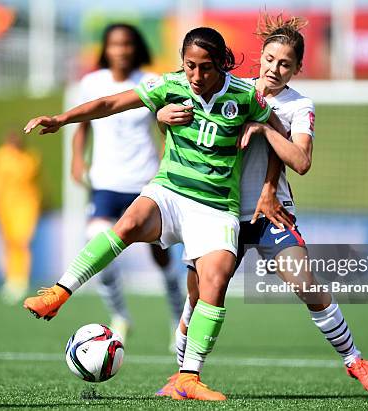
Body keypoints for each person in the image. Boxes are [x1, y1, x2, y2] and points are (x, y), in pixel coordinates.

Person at [22, 26, 289, 401]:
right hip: (171, 193)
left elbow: (279, 138)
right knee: (128, 223)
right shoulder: (169, 85)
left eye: (206, 68)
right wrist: (62, 119)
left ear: (222, 64)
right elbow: (112, 103)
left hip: (216, 208)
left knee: (215, 281)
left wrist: (268, 188)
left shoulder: (246, 96)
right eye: (190, 66)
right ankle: (58, 293)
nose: (196, 76)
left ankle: (188, 378)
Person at [155, 14, 368, 396]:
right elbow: (183, 123)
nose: (275, 68)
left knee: (304, 280)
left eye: (285, 63)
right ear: (259, 57)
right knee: (197, 297)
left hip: (270, 213)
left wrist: (264, 128)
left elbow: (301, 160)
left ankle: (354, 359)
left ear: (297, 68)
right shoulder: (235, 89)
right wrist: (161, 118)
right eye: (269, 59)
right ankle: (181, 376)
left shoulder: (300, 105)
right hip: (218, 212)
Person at [70, 23, 184, 344]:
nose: (121, 50)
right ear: (105, 49)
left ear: (136, 48)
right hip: (105, 182)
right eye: (114, 44)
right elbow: (84, 124)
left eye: (127, 44)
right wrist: (77, 158)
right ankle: (120, 316)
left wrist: (168, 165)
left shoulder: (149, 83)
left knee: (160, 255)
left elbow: (165, 127)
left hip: (145, 182)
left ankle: (178, 320)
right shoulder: (91, 83)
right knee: (96, 244)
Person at [0, 131, 42, 304]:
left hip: (27, 205)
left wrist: (45, 200)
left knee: (22, 241)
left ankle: (21, 280)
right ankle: (10, 278)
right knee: (9, 242)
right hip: (5, 205)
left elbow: (39, 182)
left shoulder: (31, 157)